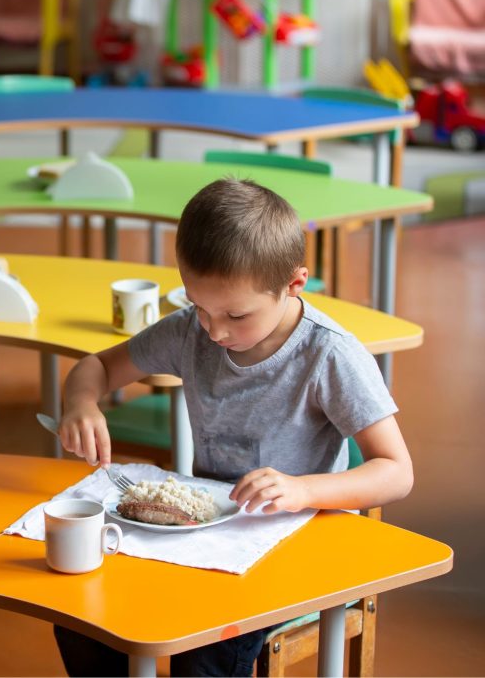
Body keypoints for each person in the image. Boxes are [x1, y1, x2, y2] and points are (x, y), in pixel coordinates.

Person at [54, 177, 414, 677]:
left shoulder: (329, 355)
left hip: (295, 543)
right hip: (205, 534)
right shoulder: (192, 331)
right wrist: (81, 403)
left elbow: (396, 471)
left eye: (235, 315)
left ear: (294, 284)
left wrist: (300, 488)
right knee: (84, 617)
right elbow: (96, 366)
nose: (215, 330)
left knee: (206, 651)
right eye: (199, 306)